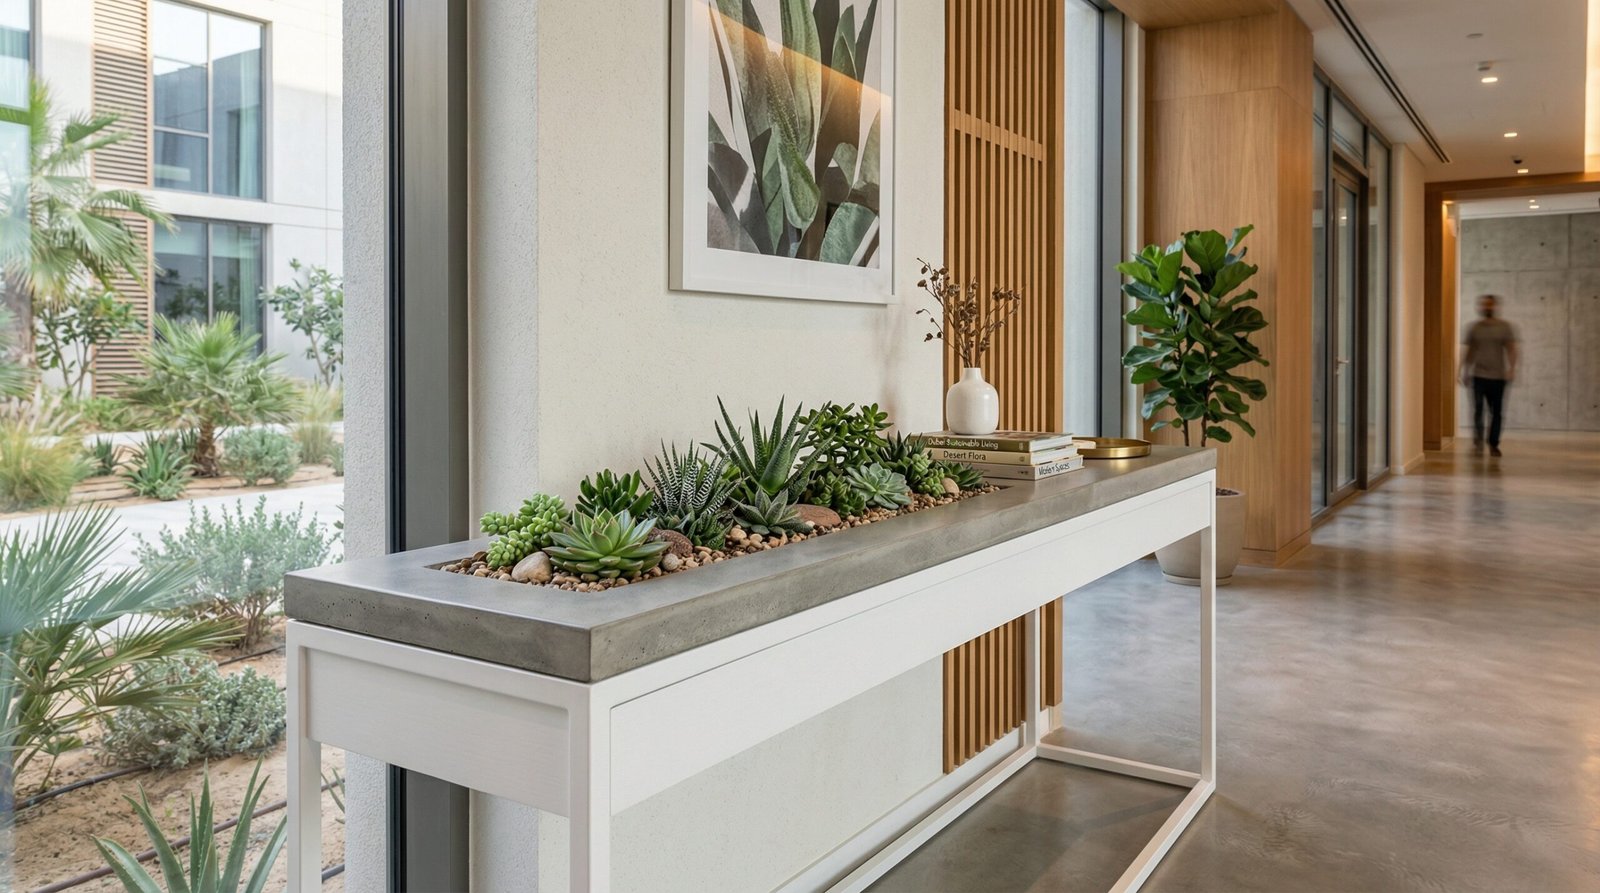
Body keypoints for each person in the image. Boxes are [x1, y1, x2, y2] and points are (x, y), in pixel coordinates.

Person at [1458, 294, 1518, 457]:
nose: (1487, 307)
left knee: (1496, 412)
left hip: (1498, 377)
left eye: (1490, 305)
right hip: (1479, 376)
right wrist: (1464, 370)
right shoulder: (1474, 328)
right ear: (1480, 307)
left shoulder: (1505, 327)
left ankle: (1493, 444)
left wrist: (1512, 368)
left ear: (1495, 307)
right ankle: (1478, 442)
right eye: (1484, 305)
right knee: (1478, 410)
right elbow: (1469, 351)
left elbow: (1511, 348)